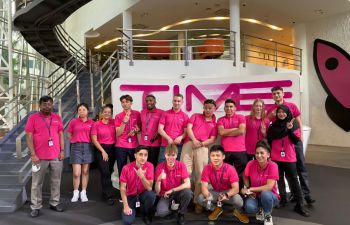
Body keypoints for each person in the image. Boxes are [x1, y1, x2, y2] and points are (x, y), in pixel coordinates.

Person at [267, 86, 315, 205]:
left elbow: (298, 119)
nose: (276, 96)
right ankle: (291, 195)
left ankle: (306, 194)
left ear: (283, 94)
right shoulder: (271, 109)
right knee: (287, 171)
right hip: (282, 144)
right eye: (274, 94)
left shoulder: (291, 106)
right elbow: (267, 123)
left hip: (294, 139)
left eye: (278, 93)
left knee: (301, 167)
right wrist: (271, 116)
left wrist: (301, 136)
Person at [267, 105, 310, 217]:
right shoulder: (272, 127)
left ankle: (300, 205)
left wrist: (290, 130)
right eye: (279, 112)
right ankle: (283, 200)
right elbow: (269, 140)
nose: (281, 114)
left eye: (283, 112)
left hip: (289, 158)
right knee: (279, 179)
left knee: (294, 180)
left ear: (287, 113)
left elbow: (296, 141)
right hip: (276, 157)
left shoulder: (293, 124)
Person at [25, 96, 65, 217]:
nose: (47, 106)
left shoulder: (57, 118)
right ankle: (35, 206)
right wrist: (33, 154)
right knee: (37, 183)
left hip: (56, 156)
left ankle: (54, 202)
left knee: (56, 181)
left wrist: (62, 150)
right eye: (44, 104)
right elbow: (28, 136)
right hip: (38, 157)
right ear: (39, 105)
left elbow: (61, 135)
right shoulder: (33, 118)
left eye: (49, 104)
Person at [181, 99, 217, 214]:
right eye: (206, 107)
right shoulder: (195, 116)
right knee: (184, 173)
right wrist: (194, 140)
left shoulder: (214, 123)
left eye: (210, 108)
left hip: (202, 147)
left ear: (214, 109)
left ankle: (197, 202)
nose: (207, 110)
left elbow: (212, 139)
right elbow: (189, 128)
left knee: (201, 176)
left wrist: (201, 143)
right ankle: (185, 201)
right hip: (189, 144)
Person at [198, 145, 249, 224]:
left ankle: (237, 211)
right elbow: (204, 186)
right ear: (210, 157)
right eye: (213, 155)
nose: (215, 158)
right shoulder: (207, 168)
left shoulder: (230, 169)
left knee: (239, 201)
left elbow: (236, 189)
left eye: (218, 155)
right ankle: (216, 209)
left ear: (223, 157)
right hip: (215, 192)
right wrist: (207, 195)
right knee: (201, 198)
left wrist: (226, 195)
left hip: (228, 193)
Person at [241, 140, 279, 225]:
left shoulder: (273, 166)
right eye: (257, 153)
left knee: (265, 193)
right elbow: (245, 176)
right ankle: (260, 210)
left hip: (270, 196)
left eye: (262, 153)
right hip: (256, 196)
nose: (259, 155)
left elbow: (269, 187)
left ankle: (268, 215)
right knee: (249, 207)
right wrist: (247, 188)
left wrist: (251, 189)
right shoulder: (251, 163)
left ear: (268, 154)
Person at [155, 144, 193, 225]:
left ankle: (181, 213)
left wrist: (172, 190)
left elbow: (188, 184)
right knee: (161, 212)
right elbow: (157, 192)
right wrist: (158, 180)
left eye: (173, 155)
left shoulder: (181, 165)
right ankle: (173, 211)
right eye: (168, 155)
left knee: (188, 192)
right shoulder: (159, 167)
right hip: (165, 195)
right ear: (165, 155)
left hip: (177, 192)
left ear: (176, 155)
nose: (170, 158)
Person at [120, 145, 156, 225]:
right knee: (127, 221)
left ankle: (146, 214)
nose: (143, 157)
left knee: (151, 195)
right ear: (135, 155)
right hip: (131, 196)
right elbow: (122, 188)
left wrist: (142, 177)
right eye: (140, 154)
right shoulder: (126, 168)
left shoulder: (150, 166)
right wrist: (125, 205)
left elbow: (150, 188)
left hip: (143, 194)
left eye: (145, 155)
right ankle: (133, 208)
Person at [217, 99, 248, 188]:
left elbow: (241, 131)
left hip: (240, 150)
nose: (229, 108)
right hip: (226, 151)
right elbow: (221, 132)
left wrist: (228, 131)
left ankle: (240, 194)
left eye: (231, 107)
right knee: (226, 174)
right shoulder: (220, 119)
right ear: (224, 108)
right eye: (227, 106)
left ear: (235, 108)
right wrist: (235, 129)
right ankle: (228, 194)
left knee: (240, 174)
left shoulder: (241, 117)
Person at [67, 103, 94, 202]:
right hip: (76, 147)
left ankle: (83, 192)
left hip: (87, 147)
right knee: (76, 173)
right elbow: (69, 134)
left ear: (87, 111)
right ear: (77, 111)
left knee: (85, 171)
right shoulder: (73, 122)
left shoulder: (92, 122)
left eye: (83, 109)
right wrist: (75, 139)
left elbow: (94, 136)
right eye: (79, 110)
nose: (81, 111)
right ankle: (75, 192)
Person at [91, 104, 117, 205]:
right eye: (105, 112)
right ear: (101, 113)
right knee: (105, 172)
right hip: (101, 149)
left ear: (111, 114)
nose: (107, 114)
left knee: (109, 172)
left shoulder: (114, 122)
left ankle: (105, 191)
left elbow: (119, 132)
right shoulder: (96, 124)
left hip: (113, 149)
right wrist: (103, 151)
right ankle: (107, 195)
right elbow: (94, 139)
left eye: (109, 112)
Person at [115, 95, 141, 177]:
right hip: (121, 145)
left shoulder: (137, 114)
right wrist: (124, 122)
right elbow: (118, 133)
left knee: (136, 168)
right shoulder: (118, 116)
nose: (124, 104)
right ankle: (122, 189)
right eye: (122, 102)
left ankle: (135, 187)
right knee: (121, 168)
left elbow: (140, 128)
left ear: (131, 103)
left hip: (134, 145)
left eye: (127, 102)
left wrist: (136, 131)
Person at [158, 94, 188, 163]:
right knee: (162, 165)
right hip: (165, 145)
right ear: (172, 101)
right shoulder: (165, 113)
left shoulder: (185, 116)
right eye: (175, 101)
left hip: (178, 146)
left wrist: (180, 138)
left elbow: (186, 132)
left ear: (182, 102)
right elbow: (160, 129)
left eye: (178, 101)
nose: (176, 103)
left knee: (176, 166)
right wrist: (168, 138)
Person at [140, 94, 163, 167]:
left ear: (155, 102)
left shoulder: (161, 112)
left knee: (153, 163)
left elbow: (163, 127)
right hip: (143, 143)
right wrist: (137, 128)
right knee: (143, 163)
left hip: (154, 143)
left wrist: (158, 133)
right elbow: (141, 125)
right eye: (147, 101)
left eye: (150, 100)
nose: (148, 102)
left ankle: (152, 178)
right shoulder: (142, 112)